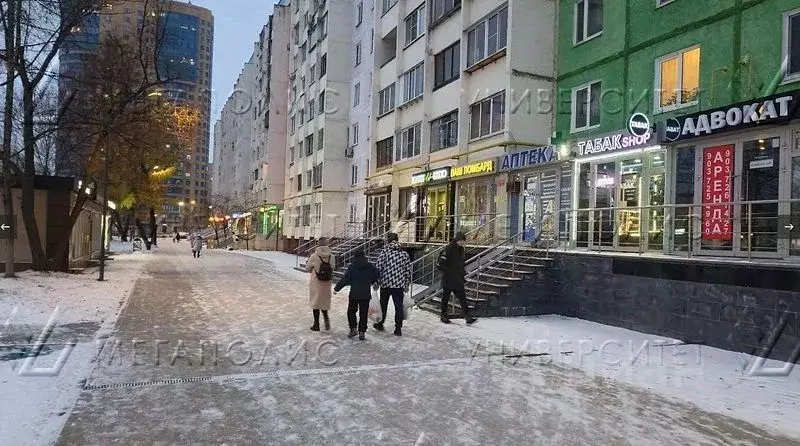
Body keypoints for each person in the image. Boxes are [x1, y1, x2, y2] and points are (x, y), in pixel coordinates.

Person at [334, 249, 380, 340]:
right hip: (365, 294)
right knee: (363, 313)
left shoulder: (352, 266)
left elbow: (345, 279)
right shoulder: (370, 266)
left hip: (354, 294)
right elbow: (376, 275)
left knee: (351, 312)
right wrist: (375, 282)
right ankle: (362, 332)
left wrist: (337, 288)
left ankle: (353, 329)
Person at [373, 232, 411, 336]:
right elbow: (408, 270)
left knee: (383, 305)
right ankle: (398, 328)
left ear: (388, 241)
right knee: (398, 306)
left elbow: (378, 268)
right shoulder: (404, 254)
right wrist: (406, 284)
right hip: (399, 285)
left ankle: (380, 323)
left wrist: (377, 282)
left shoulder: (385, 252)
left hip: (385, 284)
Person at [438, 231, 476, 325]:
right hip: (448, 278)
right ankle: (443, 315)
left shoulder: (461, 250)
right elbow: (441, 264)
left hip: (458, 279)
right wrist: (450, 271)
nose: (463, 243)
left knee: (462, 298)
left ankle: (468, 317)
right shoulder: (448, 248)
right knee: (446, 298)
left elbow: (461, 263)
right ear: (458, 240)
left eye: (463, 241)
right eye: (462, 241)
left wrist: (462, 273)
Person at [304, 238, 335, 331]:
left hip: (316, 283)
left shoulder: (314, 256)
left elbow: (307, 268)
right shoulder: (331, 256)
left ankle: (316, 324)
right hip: (327, 283)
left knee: (316, 303)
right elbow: (333, 267)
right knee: (324, 302)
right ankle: (326, 319)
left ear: (318, 245)